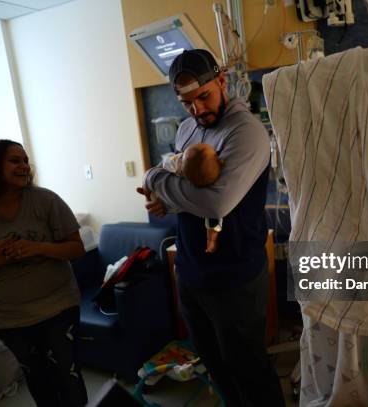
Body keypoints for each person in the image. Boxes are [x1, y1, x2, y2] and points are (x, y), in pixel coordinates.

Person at [137, 49, 285, 407]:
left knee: (247, 366)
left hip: (234, 275)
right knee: (215, 363)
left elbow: (215, 202)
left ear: (221, 81)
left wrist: (153, 177)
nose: (197, 110)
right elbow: (186, 183)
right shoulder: (187, 129)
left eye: (204, 97)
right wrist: (167, 200)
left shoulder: (245, 133)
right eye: (188, 103)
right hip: (190, 269)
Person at [0, 139, 88, 407]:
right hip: (8, 318)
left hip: (58, 306)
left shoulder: (46, 201)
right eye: (15, 160)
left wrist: (38, 247)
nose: (24, 166)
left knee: (68, 375)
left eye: (25, 160)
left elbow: (76, 249)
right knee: (38, 379)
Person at [160, 143, 224, 252]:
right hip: (188, 205)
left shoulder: (179, 163)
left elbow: (165, 163)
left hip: (179, 204)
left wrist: (172, 159)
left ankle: (211, 240)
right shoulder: (210, 180)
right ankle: (211, 241)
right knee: (214, 218)